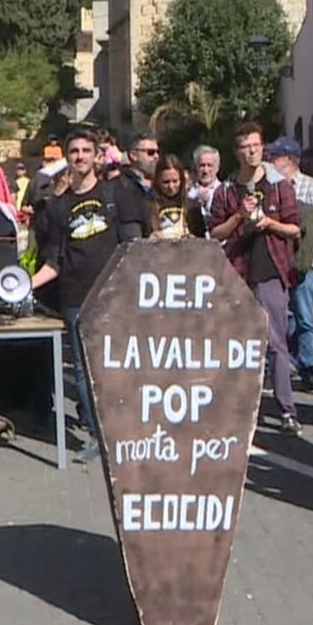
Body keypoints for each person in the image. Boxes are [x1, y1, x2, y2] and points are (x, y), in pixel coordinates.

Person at [30, 128, 151, 463]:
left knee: (122, 366)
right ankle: (100, 436)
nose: (80, 156)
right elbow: (54, 261)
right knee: (85, 370)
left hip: (116, 296)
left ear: (98, 156)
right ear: (66, 158)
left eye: (86, 151)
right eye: (74, 151)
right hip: (75, 298)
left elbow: (134, 246)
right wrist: (26, 284)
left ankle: (127, 432)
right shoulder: (57, 208)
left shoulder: (117, 194)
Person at [209, 123, 304, 434]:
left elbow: (295, 228)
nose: (251, 151)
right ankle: (240, 405)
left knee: (276, 342)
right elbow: (215, 232)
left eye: (256, 145)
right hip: (236, 271)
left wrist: (268, 222)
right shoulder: (226, 191)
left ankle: (286, 409)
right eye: (245, 146)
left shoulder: (280, 187)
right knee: (238, 342)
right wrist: (239, 215)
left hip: (269, 270)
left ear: (263, 148)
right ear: (236, 151)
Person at [266, 136, 313, 390]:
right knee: (282, 314)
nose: (270, 162)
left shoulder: (312, 185)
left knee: (304, 316)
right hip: (279, 257)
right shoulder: (271, 185)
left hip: (305, 258)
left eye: (275, 157)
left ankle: (308, 365)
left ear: (290, 160)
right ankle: (284, 364)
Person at [151, 155, 195, 239]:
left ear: (181, 181)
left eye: (175, 181)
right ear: (157, 182)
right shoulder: (148, 205)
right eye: (166, 182)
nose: (171, 187)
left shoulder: (192, 206)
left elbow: (202, 241)